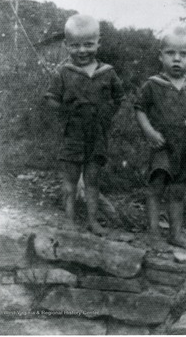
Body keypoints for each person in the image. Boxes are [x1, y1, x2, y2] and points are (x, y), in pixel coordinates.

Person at [44, 14, 124, 235]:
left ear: (99, 42)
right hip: (73, 136)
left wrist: (107, 115)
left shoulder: (107, 72)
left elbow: (119, 98)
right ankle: (69, 221)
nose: (82, 51)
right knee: (70, 181)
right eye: (75, 46)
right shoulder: (63, 72)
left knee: (92, 180)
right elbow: (51, 98)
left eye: (88, 44)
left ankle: (92, 221)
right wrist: (65, 113)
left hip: (97, 137)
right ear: (66, 45)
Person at [135, 26, 186, 250]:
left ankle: (176, 234)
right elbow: (139, 109)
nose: (177, 59)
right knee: (156, 187)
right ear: (161, 56)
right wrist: (149, 131)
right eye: (170, 53)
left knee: (178, 191)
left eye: (184, 54)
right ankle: (154, 234)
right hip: (163, 145)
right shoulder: (153, 84)